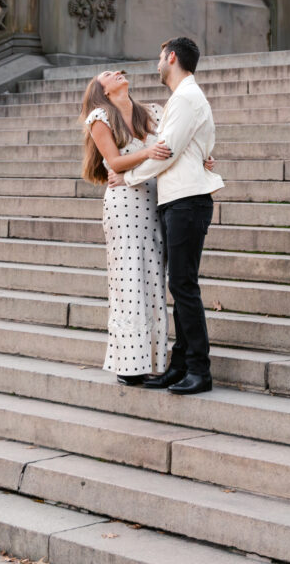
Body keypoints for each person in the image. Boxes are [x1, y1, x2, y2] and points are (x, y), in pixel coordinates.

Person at [108, 36, 223, 395]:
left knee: (184, 285)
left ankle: (199, 369)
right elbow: (194, 145)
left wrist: (127, 177)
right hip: (179, 199)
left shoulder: (187, 97)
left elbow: (166, 151)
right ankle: (179, 364)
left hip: (188, 200)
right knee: (179, 284)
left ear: (171, 57)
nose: (157, 63)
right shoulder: (183, 99)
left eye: (160, 57)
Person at [80, 70, 172, 385]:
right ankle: (129, 365)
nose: (117, 73)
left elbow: (170, 151)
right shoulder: (99, 118)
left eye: (118, 71)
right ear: (101, 89)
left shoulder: (155, 112)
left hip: (155, 200)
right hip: (124, 206)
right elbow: (114, 163)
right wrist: (148, 154)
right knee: (128, 280)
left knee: (153, 279)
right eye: (108, 74)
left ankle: (155, 362)